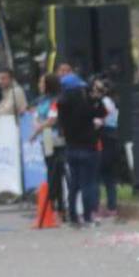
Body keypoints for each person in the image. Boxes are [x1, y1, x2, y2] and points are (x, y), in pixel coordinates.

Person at [56, 73, 104, 226]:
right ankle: (88, 216)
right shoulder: (84, 105)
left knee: (74, 184)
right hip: (88, 148)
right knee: (88, 183)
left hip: (71, 148)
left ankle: (73, 216)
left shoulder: (61, 105)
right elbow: (101, 112)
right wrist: (96, 97)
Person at [30, 72, 66, 219]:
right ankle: (53, 203)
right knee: (51, 171)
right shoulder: (41, 100)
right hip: (46, 139)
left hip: (57, 138)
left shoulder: (56, 99)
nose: (40, 85)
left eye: (42, 82)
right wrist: (37, 126)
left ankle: (61, 205)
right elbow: (36, 116)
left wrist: (37, 130)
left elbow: (52, 119)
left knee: (57, 173)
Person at [91, 76, 121, 217]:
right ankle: (112, 206)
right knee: (109, 176)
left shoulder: (104, 102)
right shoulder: (112, 101)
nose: (94, 92)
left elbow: (98, 121)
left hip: (105, 139)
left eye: (97, 89)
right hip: (112, 138)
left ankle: (96, 207)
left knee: (97, 173)